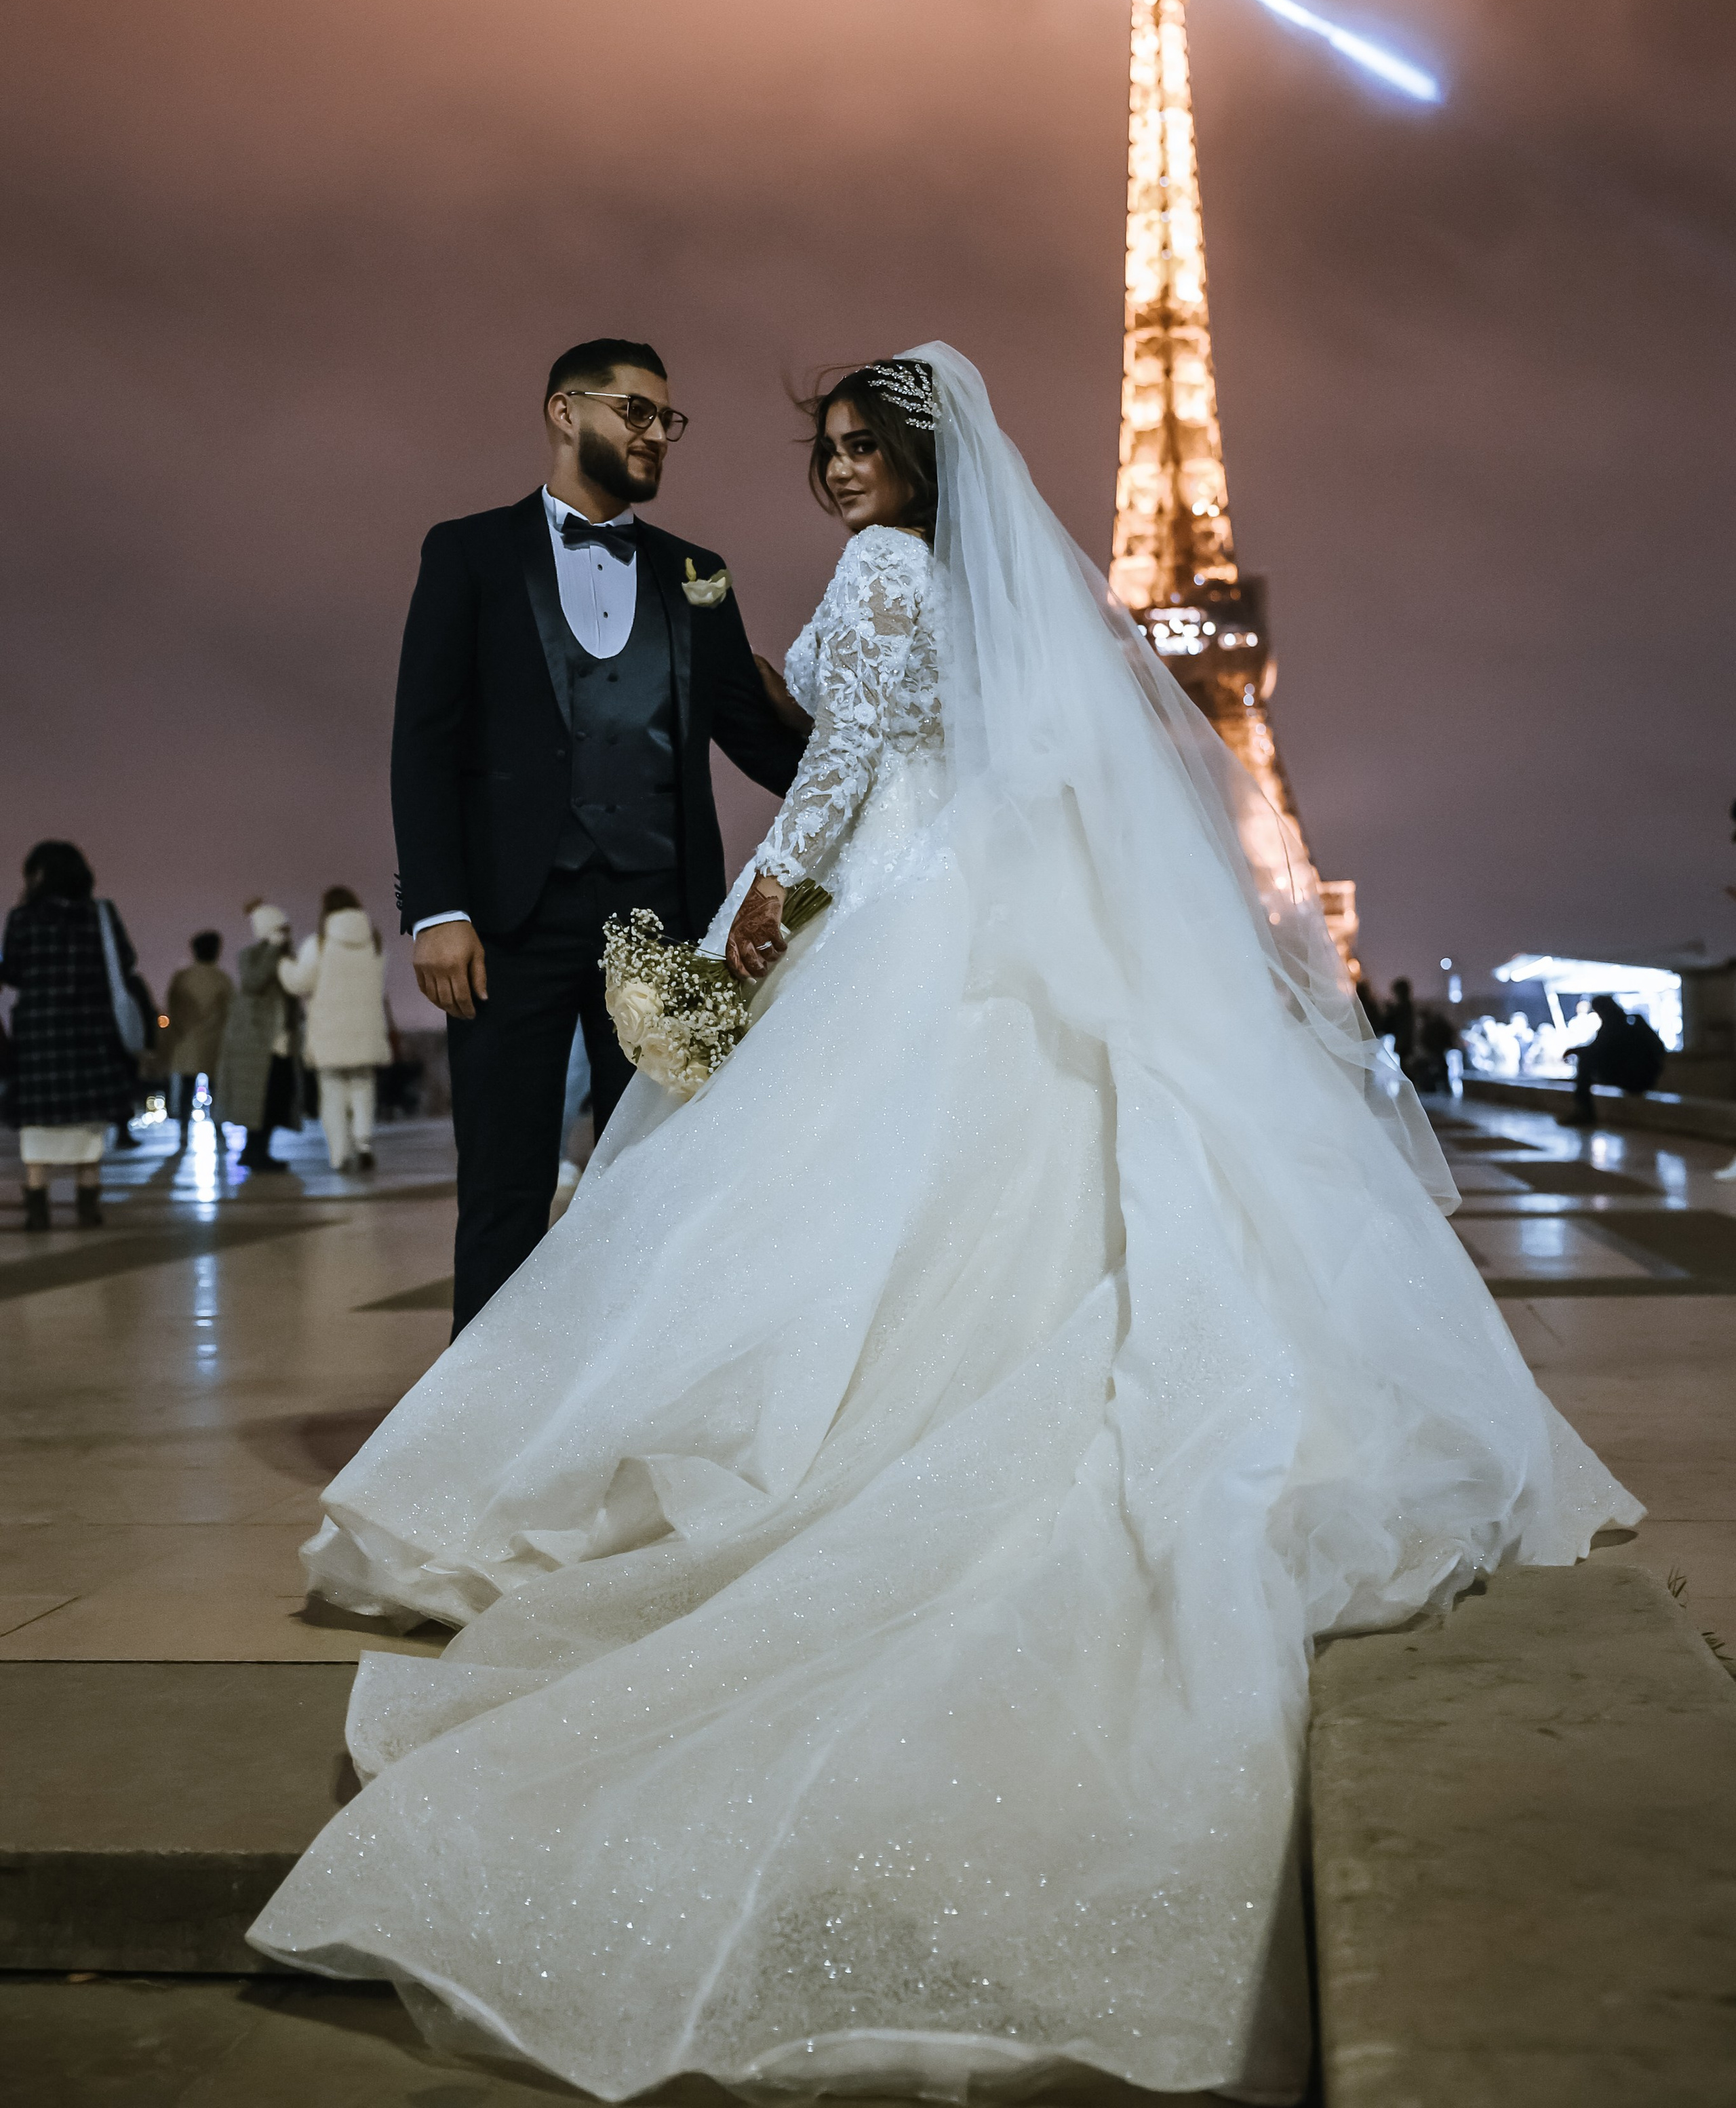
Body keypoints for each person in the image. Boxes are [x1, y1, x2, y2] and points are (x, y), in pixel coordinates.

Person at [252, 347, 1637, 2103]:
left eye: (855, 447)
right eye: (817, 450)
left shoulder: (875, 569)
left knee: (779, 1205)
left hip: (873, 896)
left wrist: (742, 956)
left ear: (918, 459)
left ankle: (626, 1447)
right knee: (923, 1201)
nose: (829, 472)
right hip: (924, 892)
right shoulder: (915, 576)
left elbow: (823, 779)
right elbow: (808, 724)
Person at [392, 335, 808, 1334]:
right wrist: (438, 908)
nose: (658, 434)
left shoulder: (699, 574)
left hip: (666, 933)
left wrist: (861, 748)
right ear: (564, 411)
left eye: (669, 419)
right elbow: (424, 739)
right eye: (636, 411)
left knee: (663, 1188)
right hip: (508, 928)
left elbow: (757, 745)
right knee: (503, 1189)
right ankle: (481, 1434)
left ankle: (638, 1418)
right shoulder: (468, 553)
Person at [1, 840, 143, 1232]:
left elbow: (11, 972)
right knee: (88, 1127)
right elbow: (126, 961)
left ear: (39, 876)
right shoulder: (101, 914)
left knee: (37, 1128)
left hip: (39, 1036)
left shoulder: (22, 918)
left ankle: (38, 1209)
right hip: (90, 1032)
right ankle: (88, 1207)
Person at [278, 889, 393, 1172]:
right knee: (364, 1088)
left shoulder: (318, 944)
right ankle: (364, 1143)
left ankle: (339, 1155)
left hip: (330, 1033)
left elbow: (300, 983)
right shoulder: (375, 943)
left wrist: (283, 964)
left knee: (332, 1096)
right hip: (367, 1030)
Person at [214, 902, 302, 1172]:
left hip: (279, 1044)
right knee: (261, 1101)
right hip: (257, 1044)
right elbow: (253, 981)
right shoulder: (252, 955)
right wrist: (273, 949)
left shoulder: (286, 957)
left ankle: (256, 1150)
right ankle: (255, 1152)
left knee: (275, 1100)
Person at [162, 931, 233, 1145]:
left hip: (187, 1041)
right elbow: (231, 1011)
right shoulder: (222, 979)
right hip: (214, 1042)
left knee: (186, 1088)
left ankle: (184, 1129)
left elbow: (172, 1007)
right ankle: (218, 1127)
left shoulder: (182, 977)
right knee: (216, 1089)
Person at [1561, 992, 1667, 1127]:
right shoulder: (1633, 1021)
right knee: (1587, 1059)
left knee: (1586, 1061)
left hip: (1634, 1077)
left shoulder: (1616, 1026)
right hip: (1642, 1076)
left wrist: (1575, 1051)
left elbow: (1597, 1050)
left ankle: (1585, 1112)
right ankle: (1584, 1111)